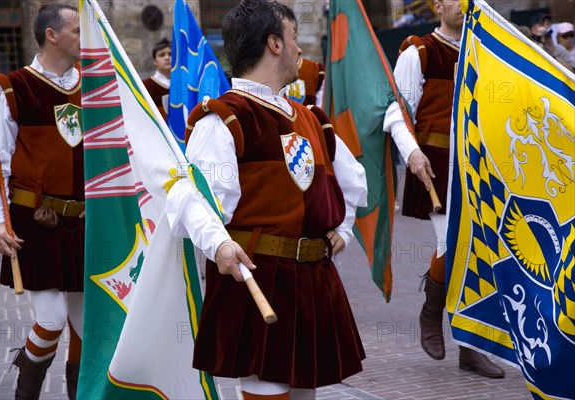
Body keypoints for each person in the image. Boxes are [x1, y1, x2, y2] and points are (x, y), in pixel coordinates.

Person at [169, 0, 368, 398]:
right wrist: (220, 245)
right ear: (274, 43)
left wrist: (343, 229)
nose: (299, 49)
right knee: (268, 391)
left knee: (304, 393)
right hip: (257, 275)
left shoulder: (311, 118)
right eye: (294, 38)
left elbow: (353, 179)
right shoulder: (225, 117)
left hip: (312, 279)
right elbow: (191, 198)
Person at [383, 0, 505, 378]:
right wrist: (413, 152)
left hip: (479, 169)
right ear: (438, 6)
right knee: (452, 246)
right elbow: (396, 112)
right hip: (435, 166)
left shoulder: (484, 55)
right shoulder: (419, 50)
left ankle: (472, 347)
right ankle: (432, 313)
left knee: (481, 252)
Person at [0, 4, 83, 399]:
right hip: (33, 220)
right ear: (52, 35)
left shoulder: (96, 86)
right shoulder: (11, 88)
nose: (84, 38)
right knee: (52, 317)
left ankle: (80, 394)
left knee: (86, 325)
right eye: (77, 30)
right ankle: (26, 388)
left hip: (83, 221)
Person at [142, 38, 171, 119]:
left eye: (170, 54)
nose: (167, 58)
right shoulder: (145, 86)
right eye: (162, 55)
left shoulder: (183, 85)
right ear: (154, 60)